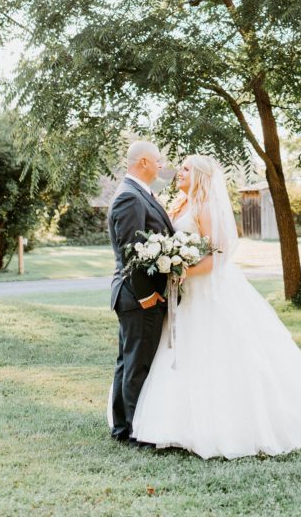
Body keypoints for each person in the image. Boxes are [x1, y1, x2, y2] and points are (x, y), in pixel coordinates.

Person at [130, 154, 301, 458]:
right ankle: (177, 425)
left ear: (199, 176)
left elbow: (219, 255)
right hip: (186, 295)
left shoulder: (206, 207)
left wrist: (182, 269)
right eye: (180, 168)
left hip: (208, 292)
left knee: (218, 353)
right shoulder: (179, 204)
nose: (178, 173)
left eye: (186, 169)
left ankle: (225, 424)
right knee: (183, 352)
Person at [107, 139, 174, 446]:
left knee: (130, 361)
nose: (161, 166)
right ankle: (135, 432)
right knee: (136, 365)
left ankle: (123, 428)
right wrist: (146, 294)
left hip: (136, 296)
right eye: (157, 161)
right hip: (137, 297)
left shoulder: (141, 194)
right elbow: (131, 250)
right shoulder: (130, 198)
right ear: (143, 162)